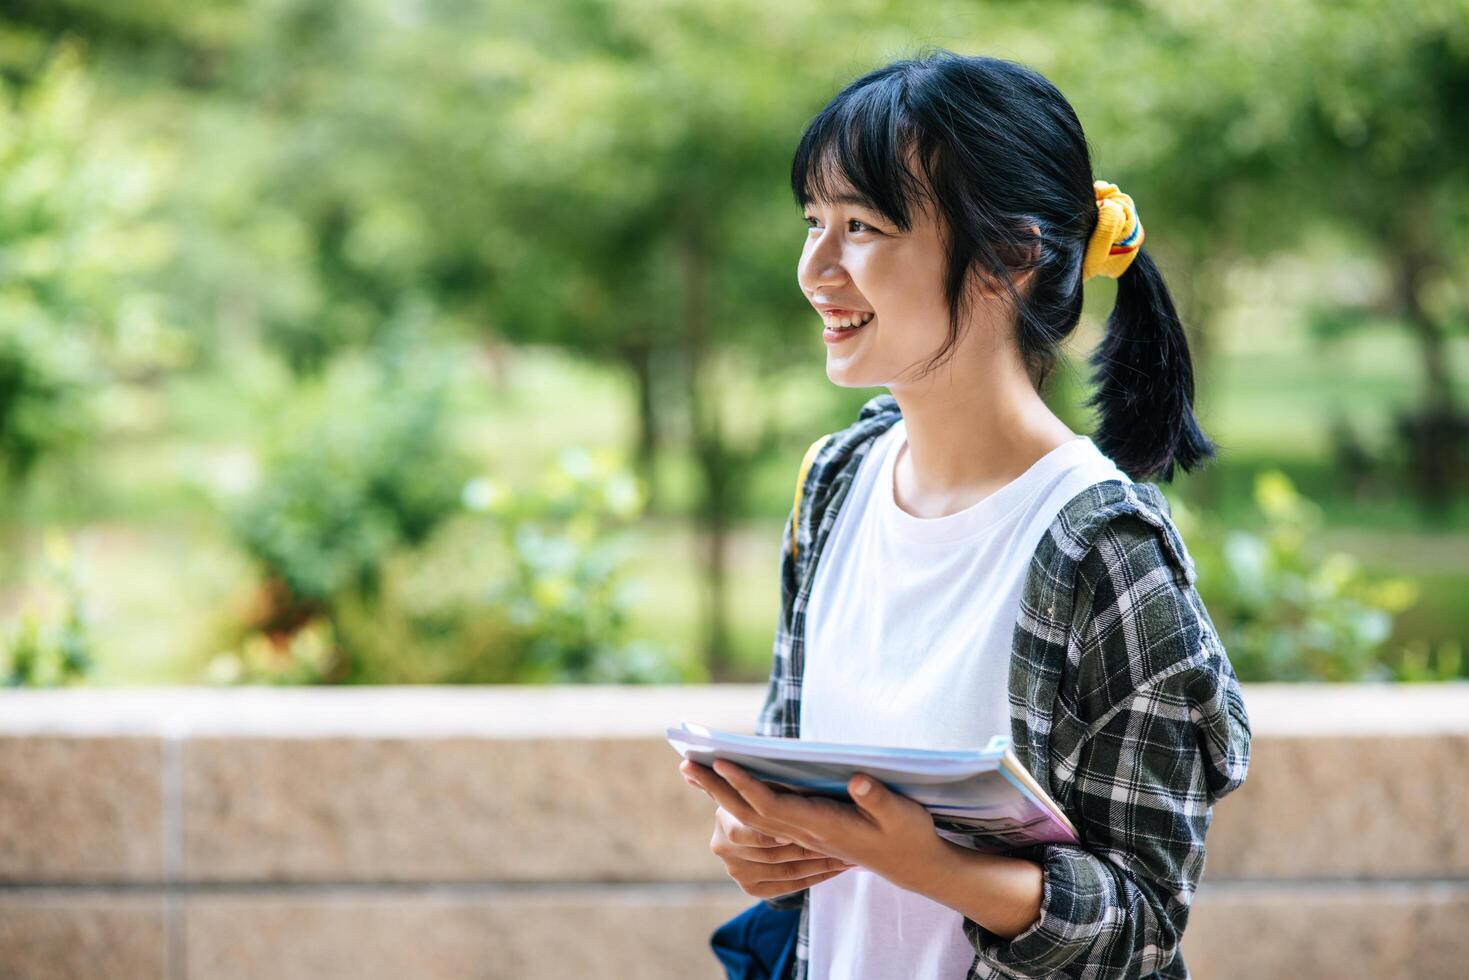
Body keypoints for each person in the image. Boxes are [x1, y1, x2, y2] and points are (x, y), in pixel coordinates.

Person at [679, 49, 1252, 980]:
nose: (815, 268)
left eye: (861, 225)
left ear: (1011, 256)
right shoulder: (836, 481)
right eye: (813, 223)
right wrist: (762, 846)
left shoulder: (1103, 549)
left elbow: (1142, 924)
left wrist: (935, 868)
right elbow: (794, 787)